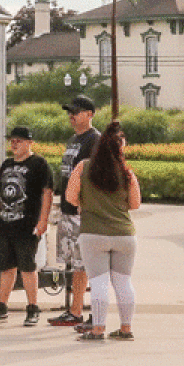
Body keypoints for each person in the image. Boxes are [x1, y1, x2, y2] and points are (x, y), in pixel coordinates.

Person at [65, 120, 141, 341]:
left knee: (99, 283)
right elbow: (135, 204)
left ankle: (98, 329)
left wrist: (85, 203)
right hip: (124, 235)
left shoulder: (83, 167)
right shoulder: (127, 172)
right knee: (123, 282)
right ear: (120, 149)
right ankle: (126, 329)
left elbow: (70, 197)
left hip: (93, 234)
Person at [0, 126, 53, 326]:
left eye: (19, 141)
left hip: (27, 225)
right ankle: (1, 306)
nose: (14, 144)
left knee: (27, 267)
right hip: (5, 225)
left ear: (30, 143)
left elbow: (47, 192)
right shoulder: (6, 164)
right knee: (6, 267)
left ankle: (33, 308)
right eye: (12, 140)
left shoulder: (39, 164)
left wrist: (43, 220)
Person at [49, 94, 101, 328]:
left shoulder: (95, 139)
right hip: (67, 209)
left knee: (84, 263)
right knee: (73, 263)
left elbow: (94, 174)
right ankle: (75, 309)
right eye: (70, 112)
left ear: (90, 114)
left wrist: (84, 202)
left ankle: (80, 311)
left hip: (82, 211)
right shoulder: (73, 140)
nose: (71, 115)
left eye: (76, 112)